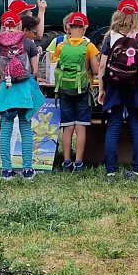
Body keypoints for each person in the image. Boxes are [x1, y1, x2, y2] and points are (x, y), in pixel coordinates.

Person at [97, 0, 138, 182]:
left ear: (118, 14)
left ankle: (111, 172)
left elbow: (102, 66)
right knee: (136, 125)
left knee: (113, 126)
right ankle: (137, 171)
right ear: (136, 15)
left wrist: (101, 89)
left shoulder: (110, 37)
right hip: (136, 86)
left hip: (114, 86)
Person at [0, 11, 45, 179]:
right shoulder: (28, 43)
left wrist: (4, 83)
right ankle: (27, 169)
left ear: (3, 25)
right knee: (25, 128)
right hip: (24, 90)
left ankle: (6, 169)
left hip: (7, 90)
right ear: (20, 25)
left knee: (5, 128)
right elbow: (34, 70)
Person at [52, 12, 100, 172]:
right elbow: (95, 70)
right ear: (85, 28)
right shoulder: (89, 47)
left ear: (69, 27)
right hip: (83, 91)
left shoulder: (61, 46)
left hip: (64, 90)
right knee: (81, 126)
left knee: (67, 126)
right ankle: (78, 162)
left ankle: (66, 161)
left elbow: (54, 66)